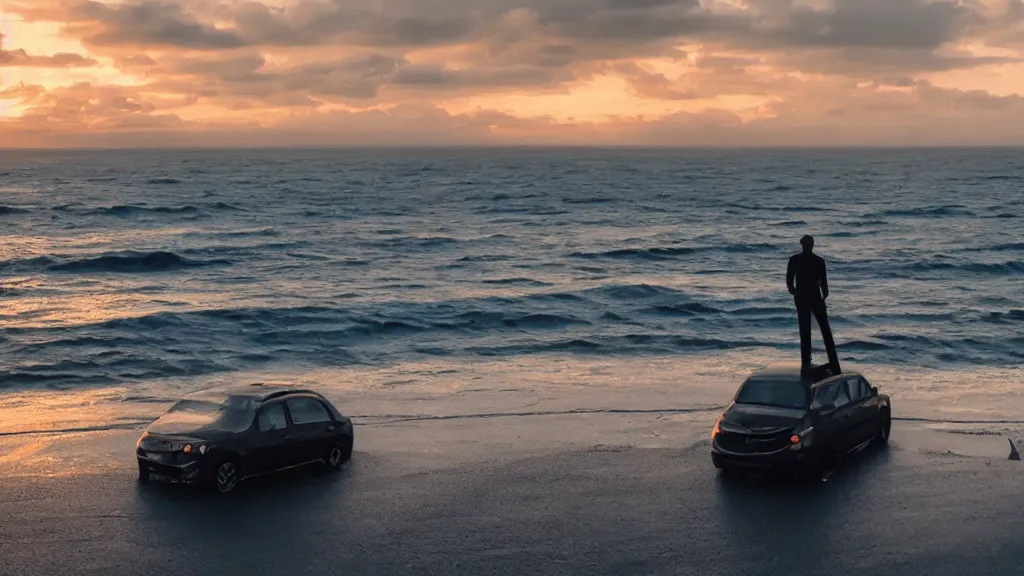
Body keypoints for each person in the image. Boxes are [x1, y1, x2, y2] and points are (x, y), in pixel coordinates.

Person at [786, 235, 841, 375]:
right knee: (826, 332)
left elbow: (789, 283)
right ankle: (834, 363)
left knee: (805, 333)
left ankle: (806, 365)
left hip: (803, 299)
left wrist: (796, 294)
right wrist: (823, 296)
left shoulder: (794, 260)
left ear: (801, 244)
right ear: (812, 245)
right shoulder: (818, 261)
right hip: (815, 299)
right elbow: (824, 284)